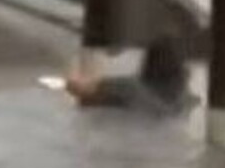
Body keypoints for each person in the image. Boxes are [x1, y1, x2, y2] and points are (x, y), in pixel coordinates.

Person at [67, 37, 198, 117]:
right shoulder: (186, 101)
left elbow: (77, 89)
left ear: (149, 61)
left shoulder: (127, 88)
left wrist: (72, 64)